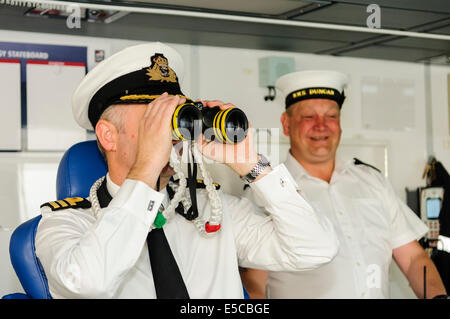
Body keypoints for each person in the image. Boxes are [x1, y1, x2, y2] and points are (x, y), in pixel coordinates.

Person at [34, 43, 339, 299]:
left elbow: (316, 249)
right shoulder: (65, 225)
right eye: (155, 121)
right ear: (108, 135)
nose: (173, 135)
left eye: (176, 118)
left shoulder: (212, 211)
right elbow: (89, 282)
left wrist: (251, 164)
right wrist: (146, 171)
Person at [240, 70, 448, 299]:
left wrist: (437, 297)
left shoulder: (373, 181)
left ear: (340, 124)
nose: (321, 126)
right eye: (309, 117)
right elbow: (254, 284)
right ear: (286, 124)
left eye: (330, 116)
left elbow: (413, 260)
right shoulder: (266, 191)